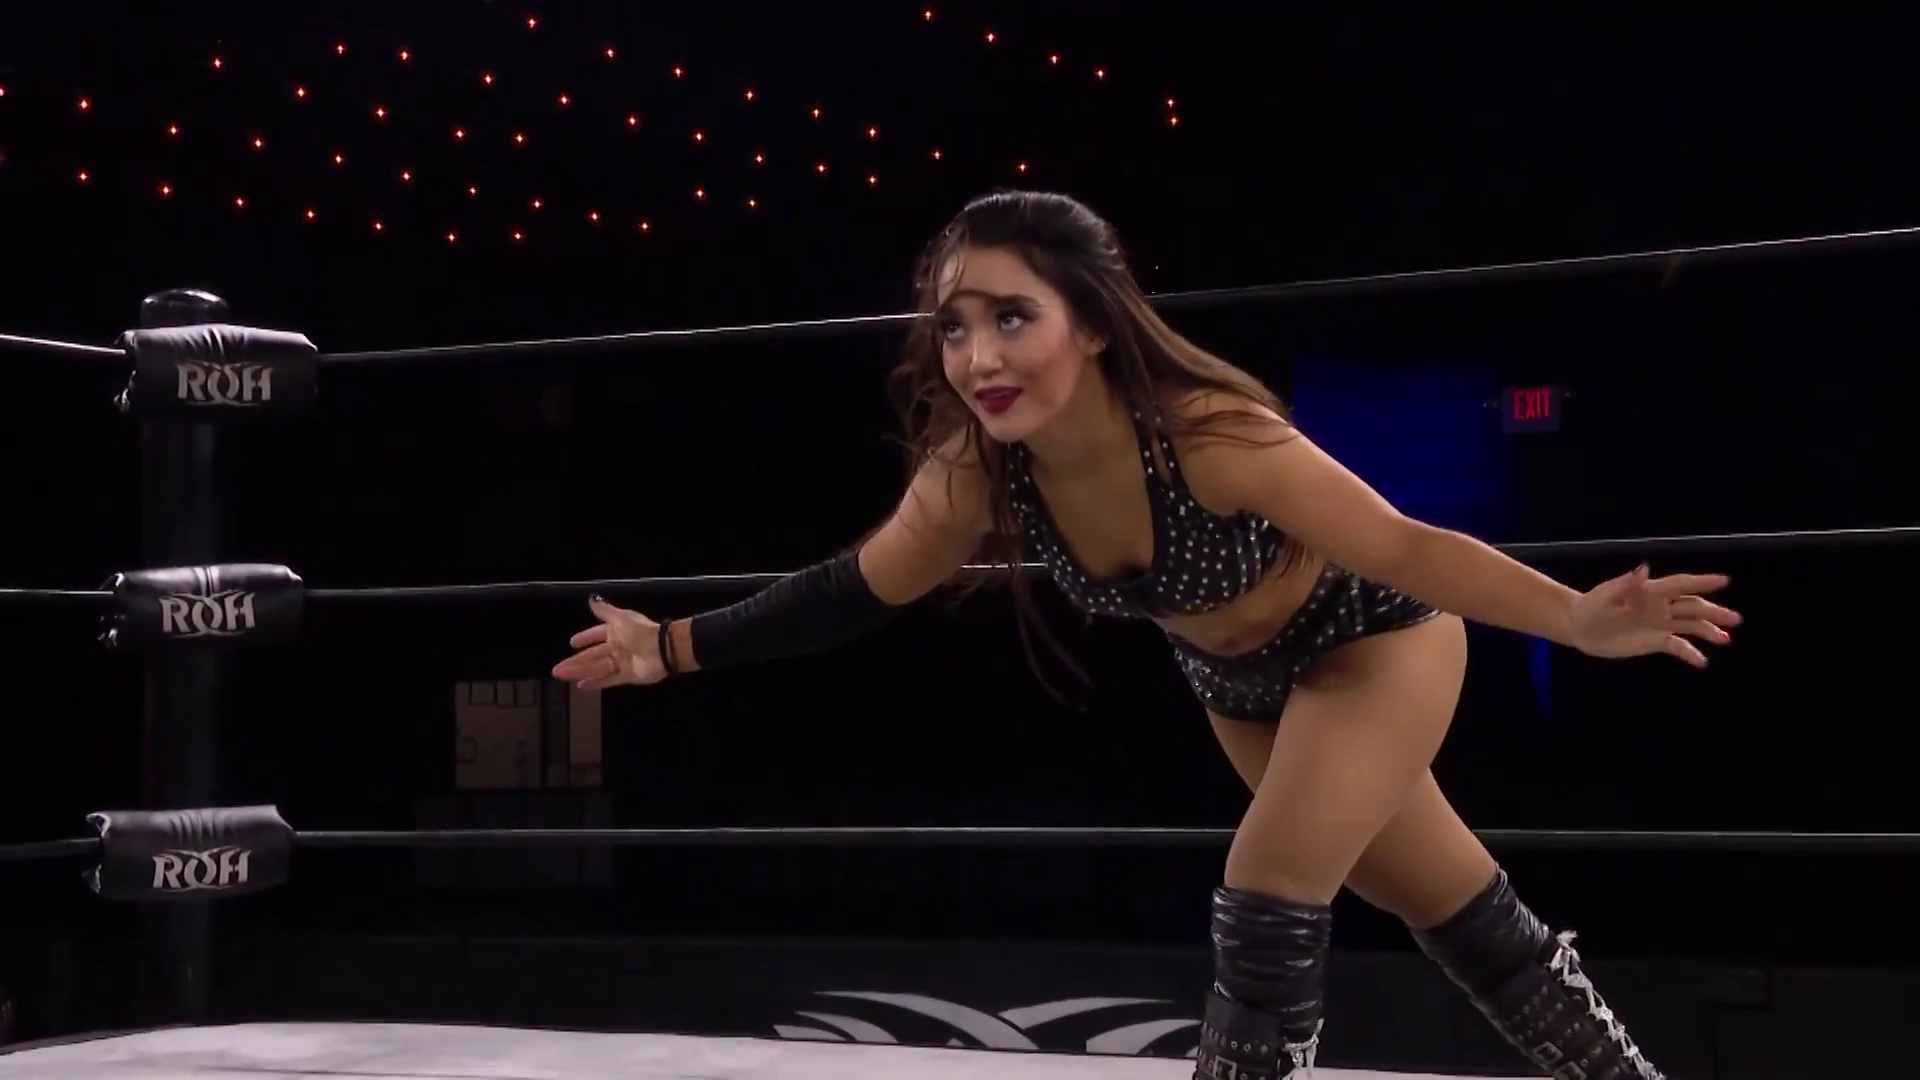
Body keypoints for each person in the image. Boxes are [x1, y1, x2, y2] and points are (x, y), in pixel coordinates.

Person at [554, 189, 1738, 1079]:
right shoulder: (978, 470)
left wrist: (1572, 618)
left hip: (1373, 642)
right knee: (1459, 911)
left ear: (1091, 322)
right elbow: (857, 588)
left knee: (1265, 897)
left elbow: (1402, 545)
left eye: (1011, 317)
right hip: (1238, 686)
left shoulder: (1208, 435)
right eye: (954, 328)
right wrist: (673, 647)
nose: (978, 358)